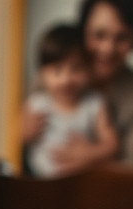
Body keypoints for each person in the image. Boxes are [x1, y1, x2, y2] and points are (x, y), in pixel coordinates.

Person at [74, 0, 133, 167]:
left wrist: (93, 155)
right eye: (99, 35)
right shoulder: (49, 78)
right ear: (83, 31)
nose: (108, 49)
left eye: (122, 37)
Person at [21, 23, 117, 178]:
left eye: (76, 69)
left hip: (81, 183)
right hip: (38, 181)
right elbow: (14, 139)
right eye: (57, 70)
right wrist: (26, 132)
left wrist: (89, 154)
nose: (66, 79)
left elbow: (112, 145)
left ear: (90, 69)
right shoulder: (36, 104)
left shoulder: (94, 104)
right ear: (42, 72)